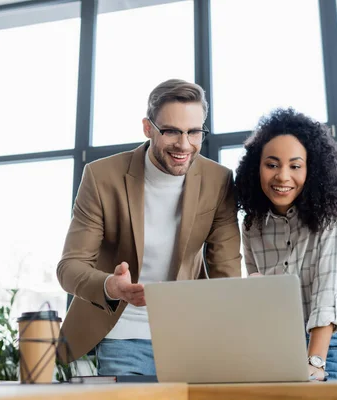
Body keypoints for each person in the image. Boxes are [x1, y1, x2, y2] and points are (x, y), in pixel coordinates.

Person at [56, 79, 241, 375]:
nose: (184, 144)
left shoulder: (218, 180)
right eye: (171, 131)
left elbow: (226, 269)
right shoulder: (102, 177)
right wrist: (110, 286)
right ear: (148, 128)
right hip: (124, 334)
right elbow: (69, 267)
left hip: (191, 335)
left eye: (194, 132)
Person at [235, 107, 337, 381]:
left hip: (332, 339)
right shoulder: (251, 223)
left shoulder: (336, 211)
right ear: (257, 168)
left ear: (311, 169)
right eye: (272, 164)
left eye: (295, 166)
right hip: (277, 341)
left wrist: (315, 362)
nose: (282, 176)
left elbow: (330, 288)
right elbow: (260, 294)